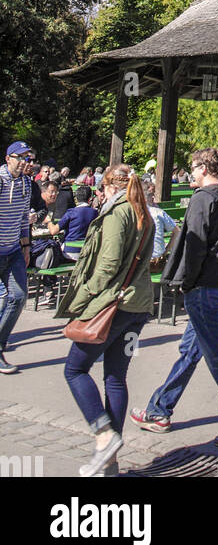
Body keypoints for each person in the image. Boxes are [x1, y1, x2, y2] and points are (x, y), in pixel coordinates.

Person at [131, 148, 218, 446]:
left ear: (204, 168)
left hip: (203, 287)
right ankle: (159, 410)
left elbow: (195, 245)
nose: (191, 172)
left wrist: (183, 283)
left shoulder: (203, 200)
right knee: (191, 351)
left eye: (193, 166)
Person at [55, 163, 155, 477]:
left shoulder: (117, 213)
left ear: (111, 186)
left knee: (74, 369)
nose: (100, 193)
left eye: (103, 188)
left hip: (112, 306)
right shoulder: (145, 213)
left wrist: (81, 299)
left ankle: (104, 435)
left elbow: (108, 264)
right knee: (115, 378)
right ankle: (109, 462)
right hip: (138, 307)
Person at [0, 142, 34, 374]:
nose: (24, 161)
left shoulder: (26, 183)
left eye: (28, 158)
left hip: (13, 251)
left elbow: (24, 217)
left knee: (19, 297)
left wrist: (26, 245)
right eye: (20, 157)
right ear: (7, 158)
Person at [53, 186, 99, 259]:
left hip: (70, 251)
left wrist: (48, 221)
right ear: (90, 198)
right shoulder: (95, 213)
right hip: (88, 250)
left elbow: (54, 231)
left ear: (76, 199)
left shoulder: (71, 212)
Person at [140, 176, 177, 260]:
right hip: (157, 260)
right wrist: (165, 251)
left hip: (141, 260)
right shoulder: (158, 212)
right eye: (151, 195)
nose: (153, 197)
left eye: (153, 194)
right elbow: (177, 231)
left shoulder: (132, 212)